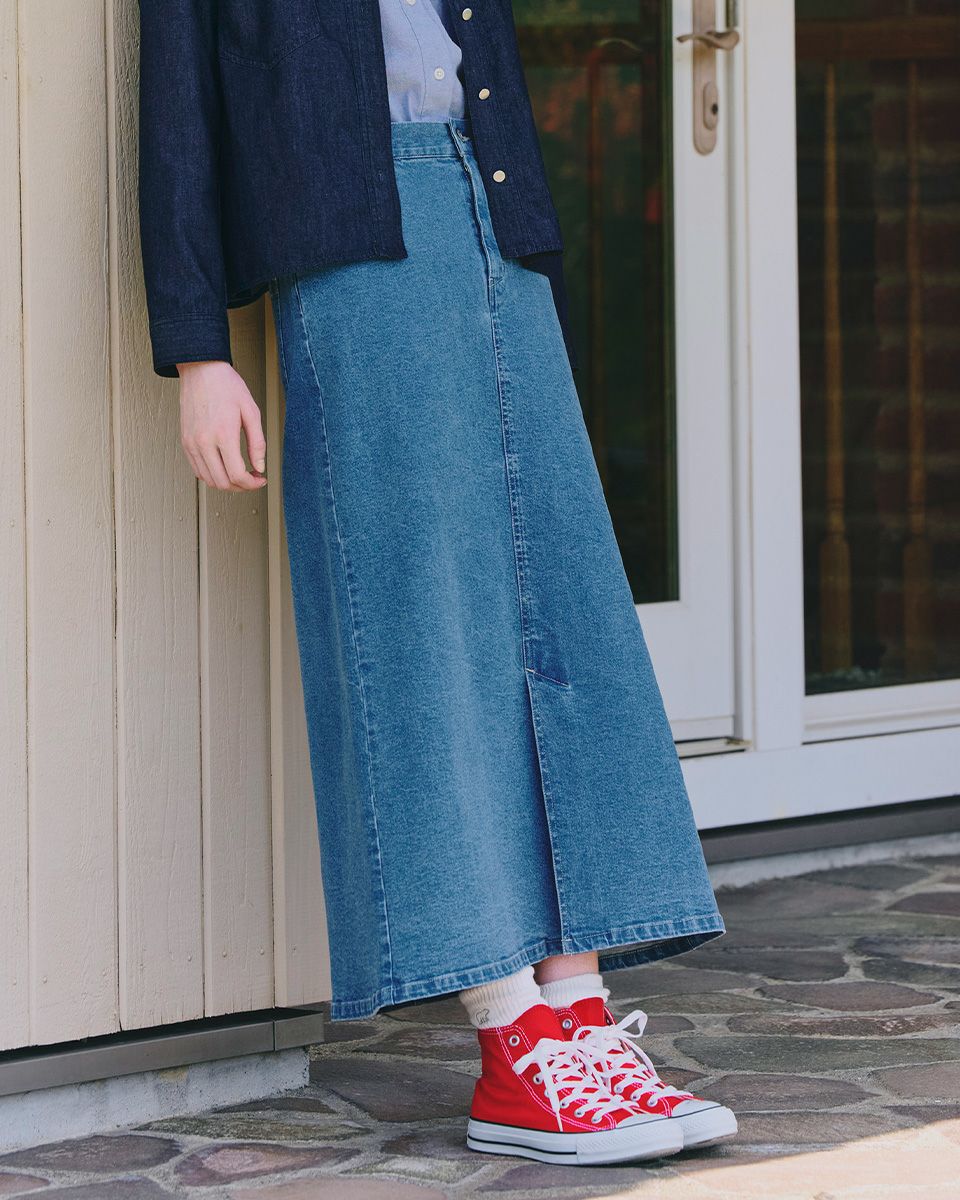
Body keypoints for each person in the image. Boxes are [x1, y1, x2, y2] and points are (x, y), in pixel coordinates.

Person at [137, 0, 737, 1167]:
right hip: (354, 244)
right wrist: (198, 350)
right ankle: (512, 1039)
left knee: (563, 620)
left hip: (488, 208)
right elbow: (177, 121)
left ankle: (578, 1012)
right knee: (417, 627)